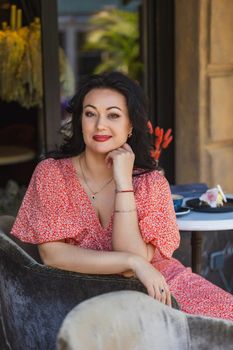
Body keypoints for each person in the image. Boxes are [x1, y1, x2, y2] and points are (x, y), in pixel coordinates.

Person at [11, 71, 233, 320]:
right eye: (90, 113)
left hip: (161, 285)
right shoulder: (52, 174)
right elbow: (53, 255)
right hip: (87, 295)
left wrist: (124, 182)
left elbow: (138, 259)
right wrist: (133, 262)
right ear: (80, 121)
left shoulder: (151, 182)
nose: (100, 125)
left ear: (130, 126)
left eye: (113, 115)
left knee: (226, 319)